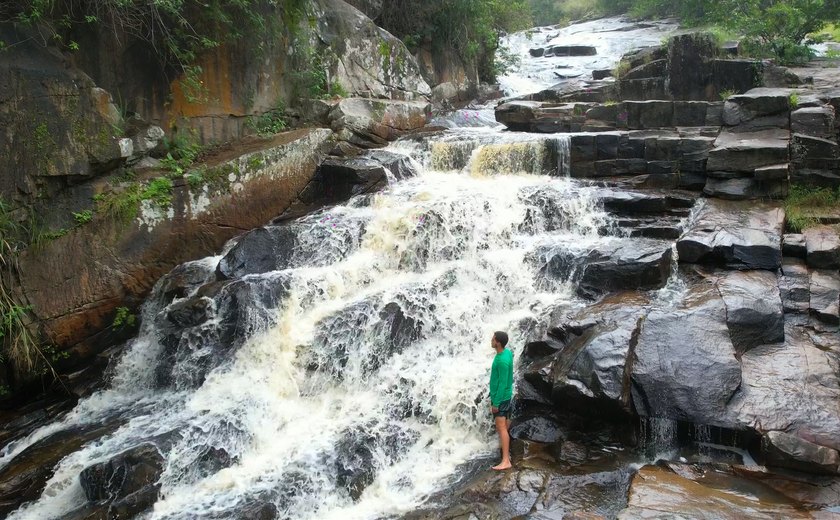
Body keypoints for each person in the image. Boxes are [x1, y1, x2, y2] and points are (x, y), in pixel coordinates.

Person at [489, 330, 513, 470]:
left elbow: (503, 383)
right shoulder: (507, 353)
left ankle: (506, 460)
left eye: (493, 338)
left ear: (497, 342)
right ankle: (505, 450)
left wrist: (496, 403)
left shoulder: (502, 361)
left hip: (501, 398)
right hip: (507, 395)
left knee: (501, 427)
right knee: (505, 426)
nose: (491, 340)